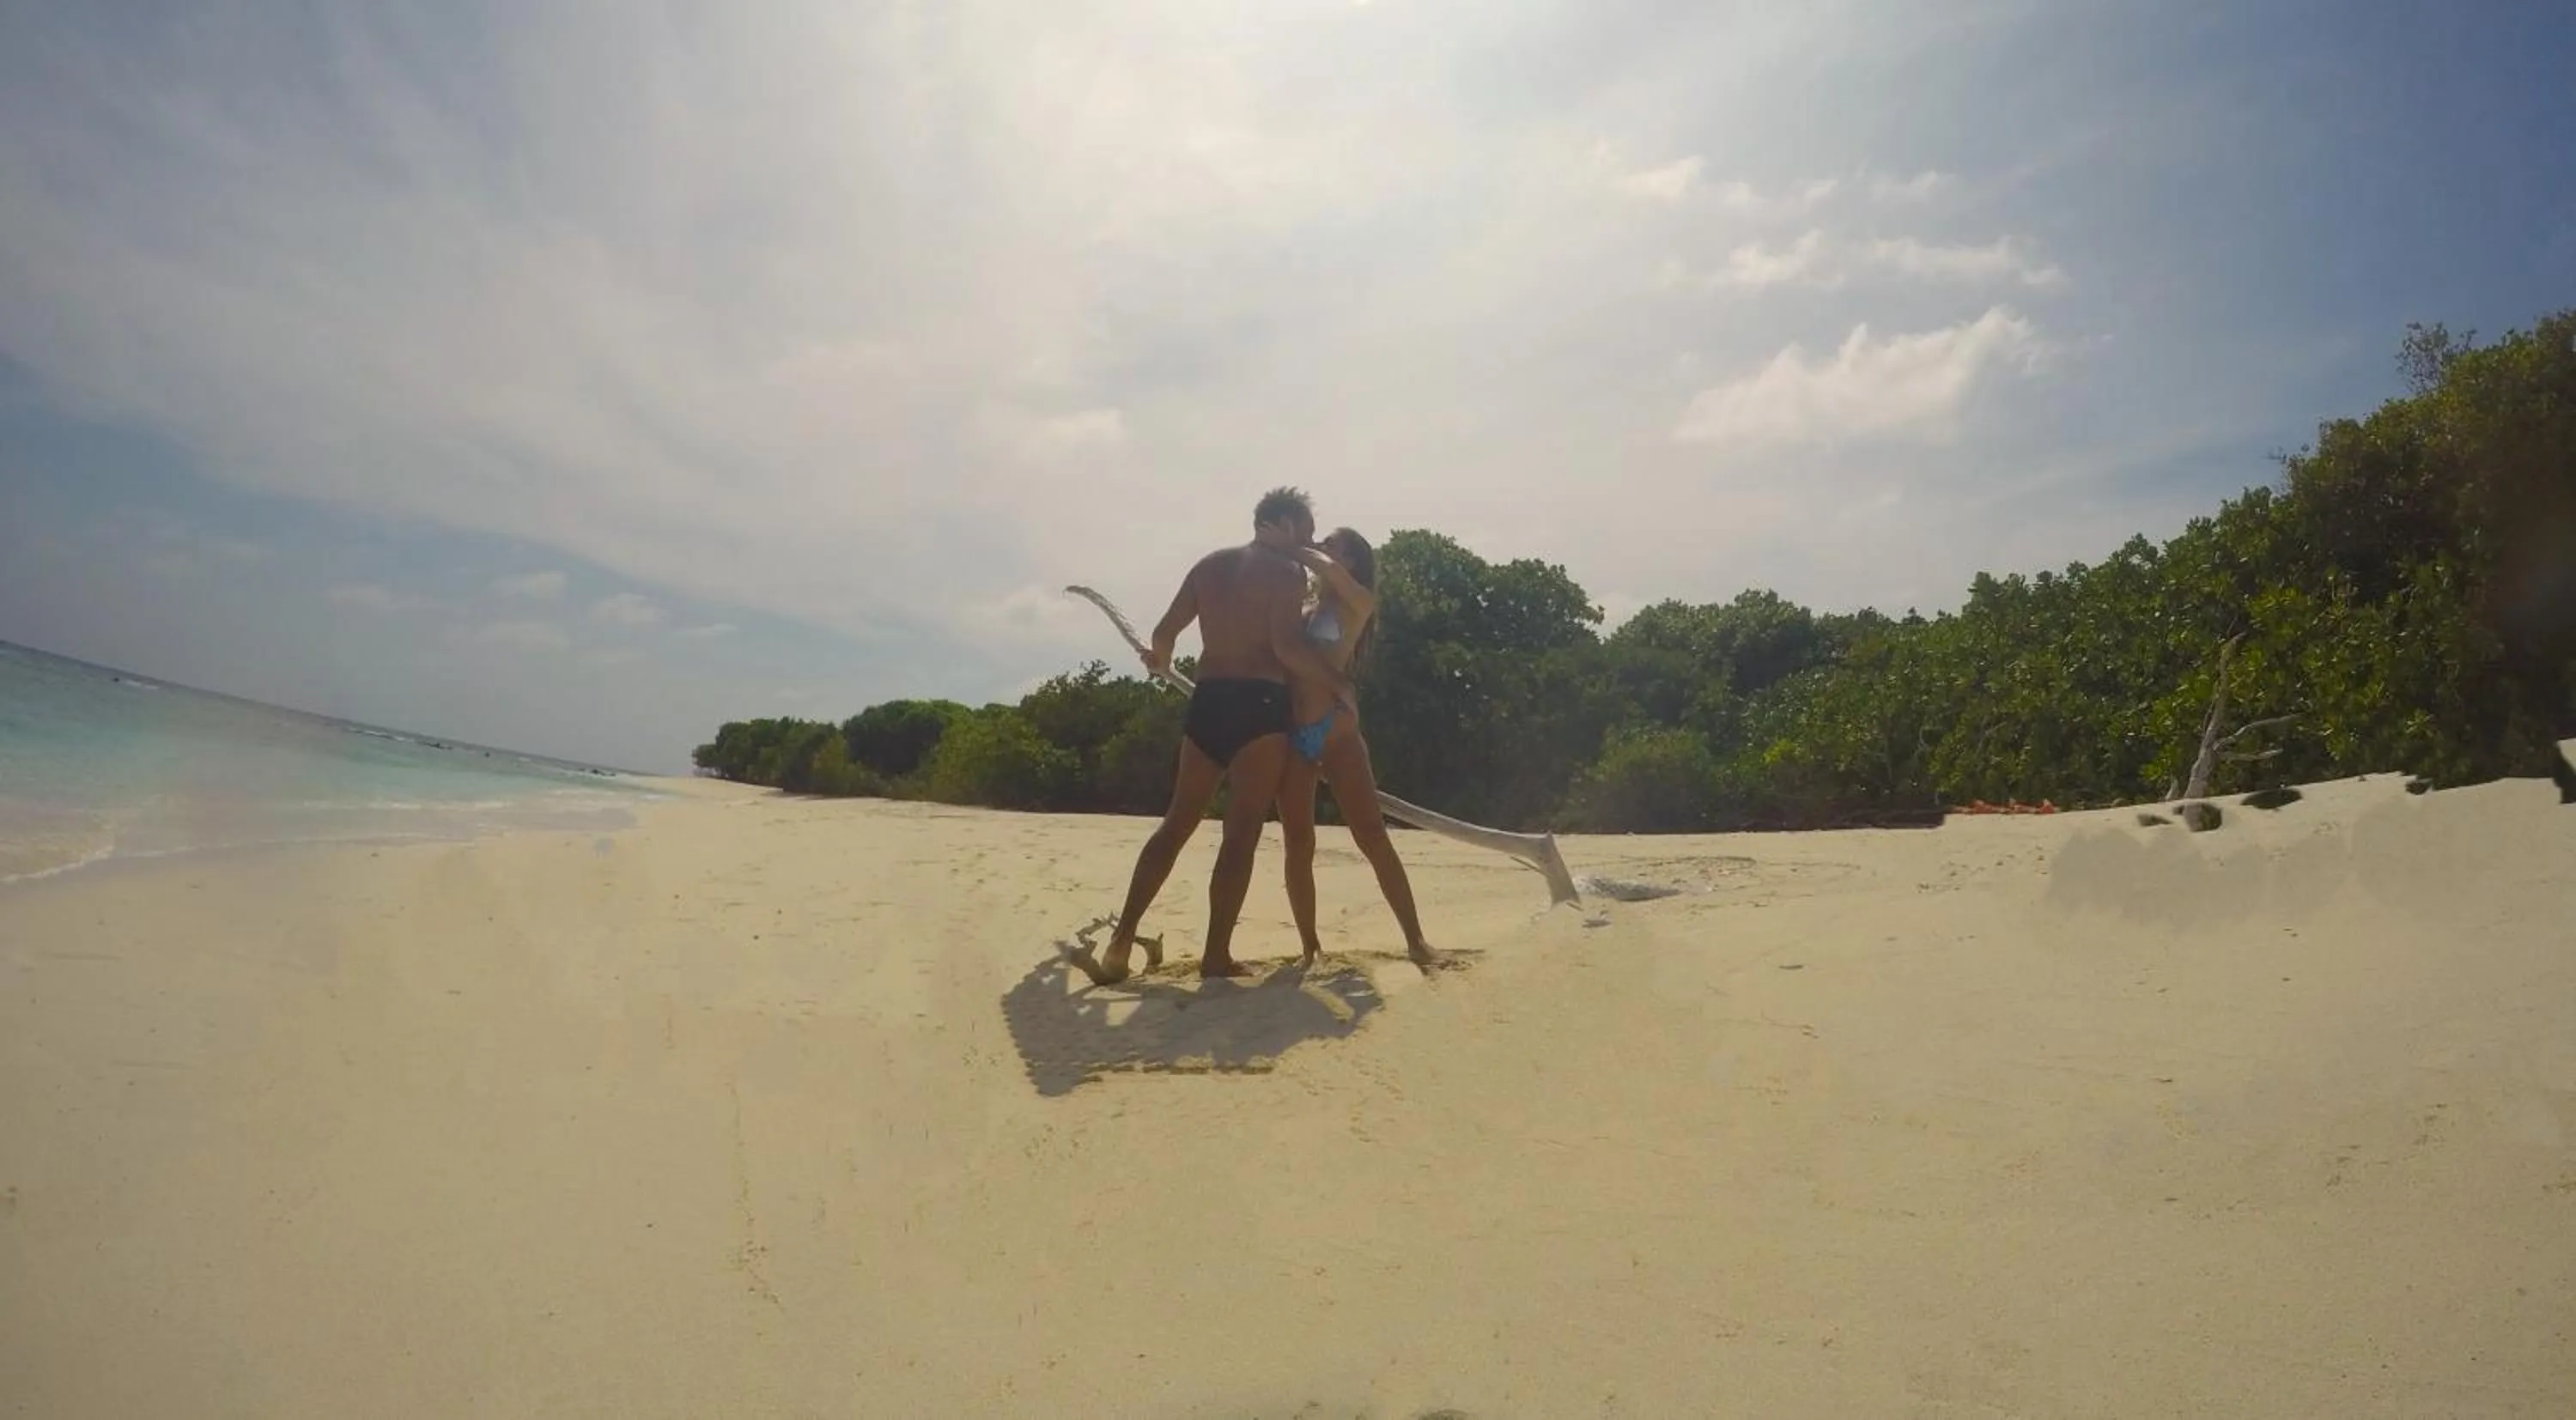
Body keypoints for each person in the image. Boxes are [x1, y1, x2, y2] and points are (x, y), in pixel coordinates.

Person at [1067, 488, 1351, 986]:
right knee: (1240, 835)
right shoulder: (1287, 572)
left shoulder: (1208, 566)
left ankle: (1120, 941)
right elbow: (1285, 647)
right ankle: (1215, 956)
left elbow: (1164, 633)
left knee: (1177, 822)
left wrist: (1161, 659)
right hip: (1260, 706)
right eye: (1304, 532)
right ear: (1280, 525)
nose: (1308, 544)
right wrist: (1338, 685)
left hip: (1209, 700)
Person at [1277, 529, 1440, 969]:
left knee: (1372, 836)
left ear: (1351, 560)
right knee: (1298, 841)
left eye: (1333, 544)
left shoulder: (1358, 603)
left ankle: (1416, 939)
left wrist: (1294, 546)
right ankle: (1310, 946)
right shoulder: (1307, 610)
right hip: (1295, 735)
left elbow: (1327, 570)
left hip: (1337, 731)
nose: (1324, 550)